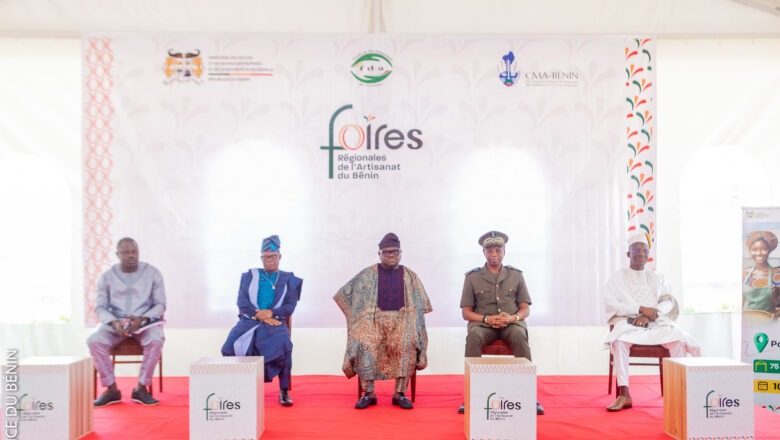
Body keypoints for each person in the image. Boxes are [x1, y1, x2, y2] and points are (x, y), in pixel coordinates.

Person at [334, 233, 432, 410]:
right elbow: (346, 294)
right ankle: (369, 393)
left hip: (402, 322)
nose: (391, 255)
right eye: (387, 252)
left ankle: (399, 394)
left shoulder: (410, 276)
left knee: (406, 343)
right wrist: (362, 317)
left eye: (395, 252)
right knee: (365, 343)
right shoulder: (369, 273)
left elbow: (420, 305)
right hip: (373, 324)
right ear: (379, 254)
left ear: (400, 253)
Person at [603, 232, 701, 411]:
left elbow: (668, 300)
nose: (641, 254)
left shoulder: (658, 277)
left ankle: (680, 391)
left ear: (649, 255)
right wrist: (639, 309)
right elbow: (612, 304)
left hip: (656, 324)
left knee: (678, 341)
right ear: (628, 254)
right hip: (629, 323)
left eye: (644, 250)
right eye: (636, 250)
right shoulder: (618, 277)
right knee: (618, 341)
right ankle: (624, 393)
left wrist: (649, 314)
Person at [459, 230, 544, 416]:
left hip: (511, 324)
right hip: (483, 326)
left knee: (520, 336)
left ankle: (528, 394)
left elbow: (525, 309)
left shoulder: (516, 275)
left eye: (498, 250)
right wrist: (486, 319)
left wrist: (512, 318)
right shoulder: (472, 277)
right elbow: (466, 313)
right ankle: (471, 395)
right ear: (484, 253)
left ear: (504, 251)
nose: (494, 254)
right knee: (473, 336)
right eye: (490, 251)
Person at [221, 234, 302, 407]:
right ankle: (238, 388)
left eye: (272, 257)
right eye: (264, 257)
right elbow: (241, 302)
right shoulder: (249, 276)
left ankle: (284, 390)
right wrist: (257, 315)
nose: (268, 261)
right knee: (229, 345)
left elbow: (290, 306)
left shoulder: (290, 279)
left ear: (279, 256)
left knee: (285, 344)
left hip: (276, 321)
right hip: (250, 320)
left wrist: (271, 313)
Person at [88, 237, 166, 407]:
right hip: (115, 324)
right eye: (126, 252)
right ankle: (111, 389)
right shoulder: (107, 277)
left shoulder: (152, 273)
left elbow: (160, 304)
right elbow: (100, 307)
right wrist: (114, 323)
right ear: (117, 254)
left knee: (156, 339)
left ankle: (141, 388)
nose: (131, 255)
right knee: (94, 340)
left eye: (134, 251)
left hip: (144, 323)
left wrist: (143, 319)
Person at [742, 230, 780, 316]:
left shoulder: (777, 275)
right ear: (750, 251)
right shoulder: (744, 274)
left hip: (768, 324)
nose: (759, 253)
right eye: (754, 250)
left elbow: (778, 304)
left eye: (764, 249)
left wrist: (775, 297)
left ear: (769, 251)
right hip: (747, 324)